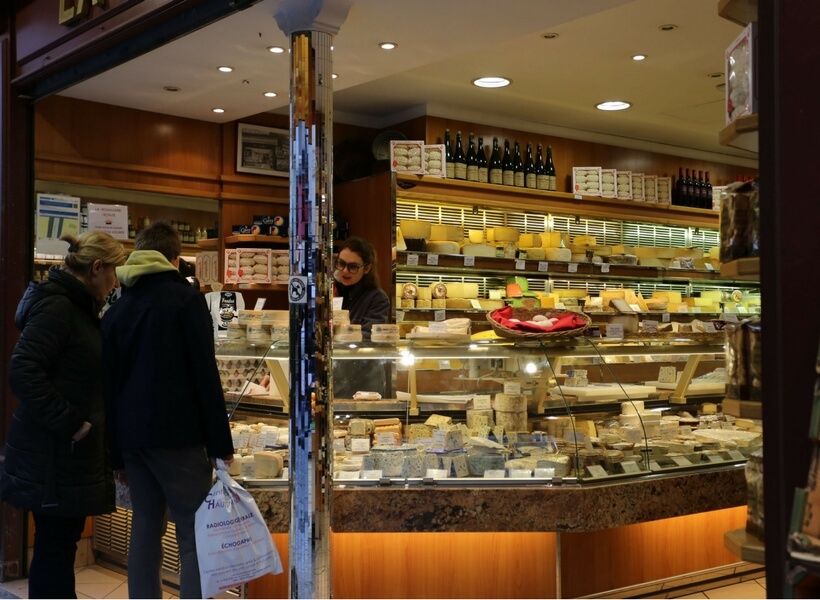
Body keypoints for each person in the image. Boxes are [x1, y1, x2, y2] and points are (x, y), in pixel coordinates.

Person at [101, 221, 234, 599]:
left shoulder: (116, 310)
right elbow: (204, 374)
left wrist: (115, 456)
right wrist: (220, 442)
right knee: (193, 534)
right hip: (179, 437)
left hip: (132, 440)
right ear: (175, 259)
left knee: (144, 527)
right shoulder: (185, 301)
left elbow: (107, 389)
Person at [1, 230, 126, 599]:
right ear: (96, 267)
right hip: (54, 456)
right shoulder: (60, 307)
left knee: (59, 547)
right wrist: (73, 423)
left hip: (60, 457)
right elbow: (22, 370)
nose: (115, 281)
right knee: (56, 549)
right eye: (113, 272)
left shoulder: (76, 307)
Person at [332, 236, 391, 398]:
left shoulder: (377, 298)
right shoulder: (331, 292)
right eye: (341, 263)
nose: (344, 271)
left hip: (363, 385)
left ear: (366, 268)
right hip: (334, 381)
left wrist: (336, 335)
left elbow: (369, 340)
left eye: (353, 267)